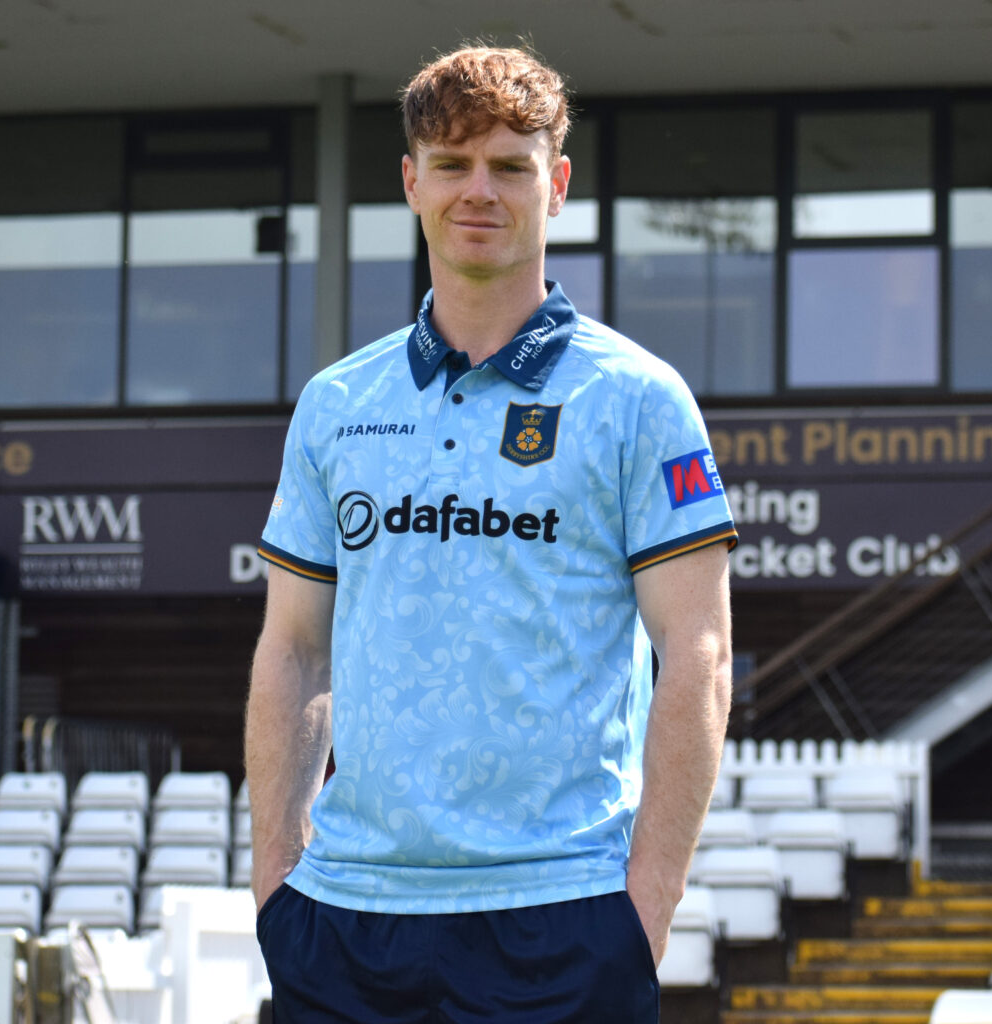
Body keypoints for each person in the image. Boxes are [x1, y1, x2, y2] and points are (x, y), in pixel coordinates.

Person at [245, 43, 737, 1024]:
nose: (480, 190)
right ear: (411, 182)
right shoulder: (338, 402)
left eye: (510, 165)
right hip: (345, 923)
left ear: (556, 186)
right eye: (453, 163)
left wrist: (645, 907)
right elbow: (295, 650)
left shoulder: (638, 398)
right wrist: (276, 884)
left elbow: (698, 650)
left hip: (563, 916)